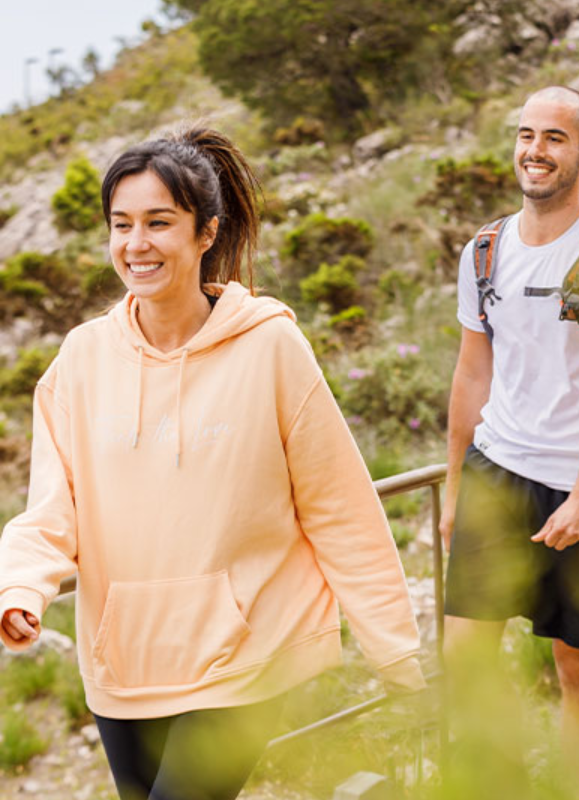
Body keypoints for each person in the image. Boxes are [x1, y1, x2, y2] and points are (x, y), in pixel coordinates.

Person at [0, 129, 425, 800]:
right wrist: (21, 586)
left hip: (244, 656)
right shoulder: (81, 359)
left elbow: (338, 504)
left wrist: (393, 647)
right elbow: (53, 506)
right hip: (125, 663)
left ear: (206, 233)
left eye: (158, 222)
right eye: (122, 224)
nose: (136, 243)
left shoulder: (270, 347)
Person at [438, 87, 579, 785]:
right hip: (497, 469)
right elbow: (472, 373)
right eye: (526, 134)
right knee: (464, 655)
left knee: (578, 667)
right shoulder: (484, 251)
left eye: (554, 138)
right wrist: (454, 487)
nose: (535, 150)